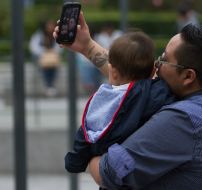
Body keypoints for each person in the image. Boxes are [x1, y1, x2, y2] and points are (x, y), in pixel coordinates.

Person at [53, 11, 202, 189]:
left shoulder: (182, 120)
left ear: (188, 76)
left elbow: (108, 172)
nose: (155, 65)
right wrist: (87, 46)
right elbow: (133, 83)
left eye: (163, 60)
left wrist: (92, 150)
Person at [64, 31, 173, 173]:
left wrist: (74, 162)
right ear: (153, 70)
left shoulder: (104, 101)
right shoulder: (159, 91)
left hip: (110, 170)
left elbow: (86, 134)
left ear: (112, 72)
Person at [29, 19, 62, 97]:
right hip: (41, 57)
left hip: (53, 58)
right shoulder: (39, 35)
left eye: (51, 25)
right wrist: (44, 52)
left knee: (52, 66)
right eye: (48, 25)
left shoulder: (56, 34)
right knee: (45, 67)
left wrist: (52, 52)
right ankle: (49, 86)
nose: (50, 27)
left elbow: (59, 47)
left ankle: (50, 86)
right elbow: (33, 47)